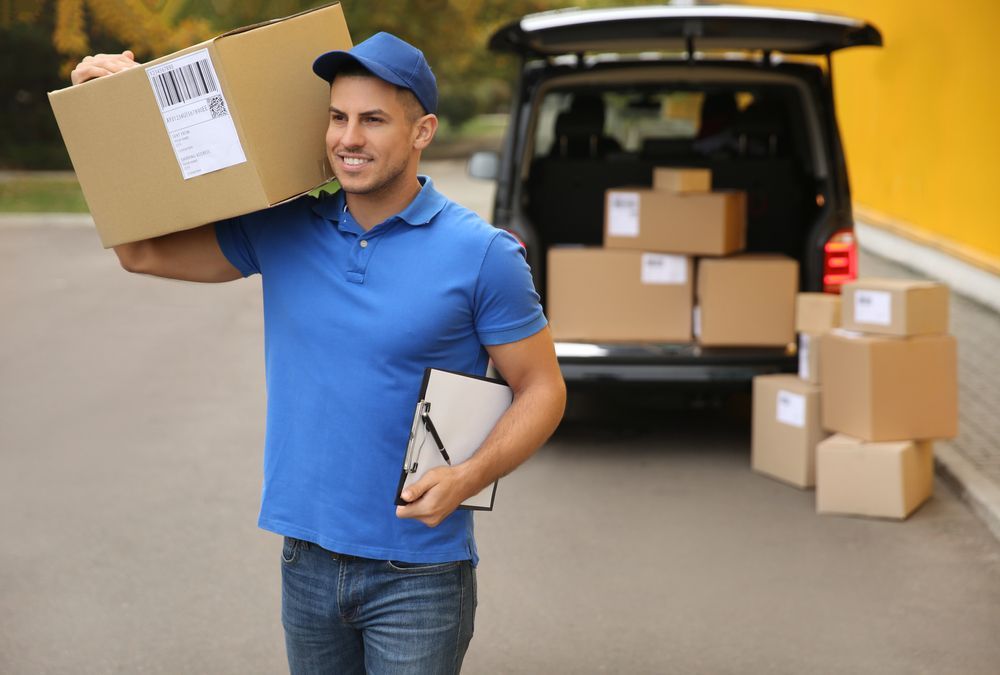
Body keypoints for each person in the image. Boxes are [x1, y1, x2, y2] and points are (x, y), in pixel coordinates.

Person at [71, 32, 566, 674]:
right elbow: (139, 252)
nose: (348, 138)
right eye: (338, 117)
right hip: (305, 560)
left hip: (417, 572)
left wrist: (471, 476)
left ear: (423, 132)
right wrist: (110, 117)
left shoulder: (482, 255)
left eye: (374, 120)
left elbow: (544, 389)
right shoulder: (284, 228)